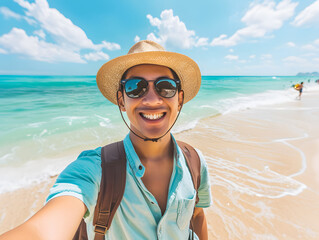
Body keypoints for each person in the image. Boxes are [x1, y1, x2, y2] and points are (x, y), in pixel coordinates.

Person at [0, 40, 212, 240]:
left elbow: (197, 216)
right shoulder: (95, 169)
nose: (152, 99)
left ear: (180, 98)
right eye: (135, 87)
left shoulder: (194, 161)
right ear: (121, 100)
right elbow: (42, 230)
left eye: (165, 86)